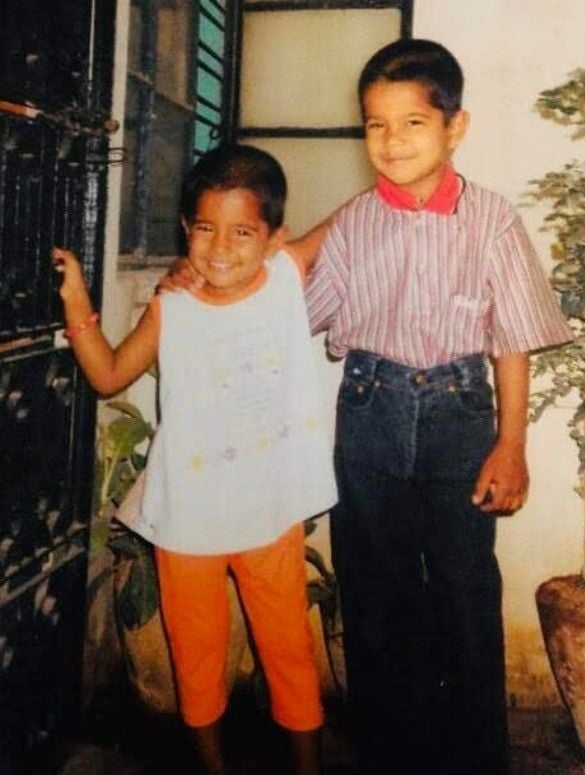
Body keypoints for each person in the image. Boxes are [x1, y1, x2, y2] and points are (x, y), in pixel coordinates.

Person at [161, 40, 572, 774]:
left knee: (464, 592)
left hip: (459, 419)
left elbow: (511, 340)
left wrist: (510, 445)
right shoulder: (353, 222)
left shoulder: (493, 220)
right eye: (375, 124)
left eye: (413, 122)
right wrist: (202, 277)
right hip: (369, 413)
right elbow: (283, 299)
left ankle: (477, 759)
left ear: (455, 127)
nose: (392, 141)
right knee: (374, 595)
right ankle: (389, 753)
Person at [52, 144, 337, 775]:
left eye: (242, 232)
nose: (220, 247)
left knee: (288, 651)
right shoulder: (171, 306)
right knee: (197, 657)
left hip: (271, 514)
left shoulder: (286, 274)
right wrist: (76, 303)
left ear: (274, 238)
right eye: (205, 228)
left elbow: (353, 214)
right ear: (186, 229)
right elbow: (108, 375)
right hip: (188, 521)